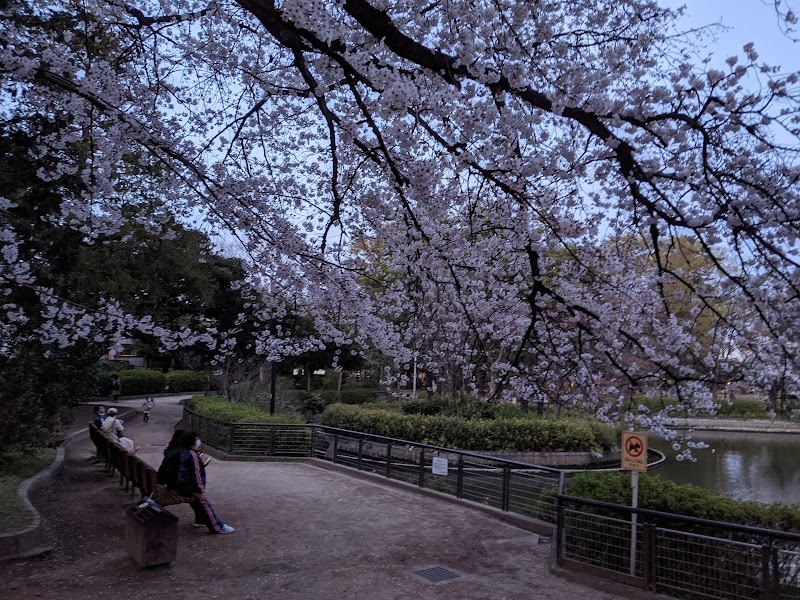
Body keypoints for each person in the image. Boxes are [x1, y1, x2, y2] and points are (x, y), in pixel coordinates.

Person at [175, 431, 234, 534]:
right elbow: (197, 474)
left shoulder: (185, 452)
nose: (198, 441)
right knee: (205, 504)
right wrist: (200, 489)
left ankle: (202, 520)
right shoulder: (193, 455)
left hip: (183, 485)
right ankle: (218, 527)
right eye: (196, 439)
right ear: (192, 441)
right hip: (191, 487)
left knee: (200, 503)